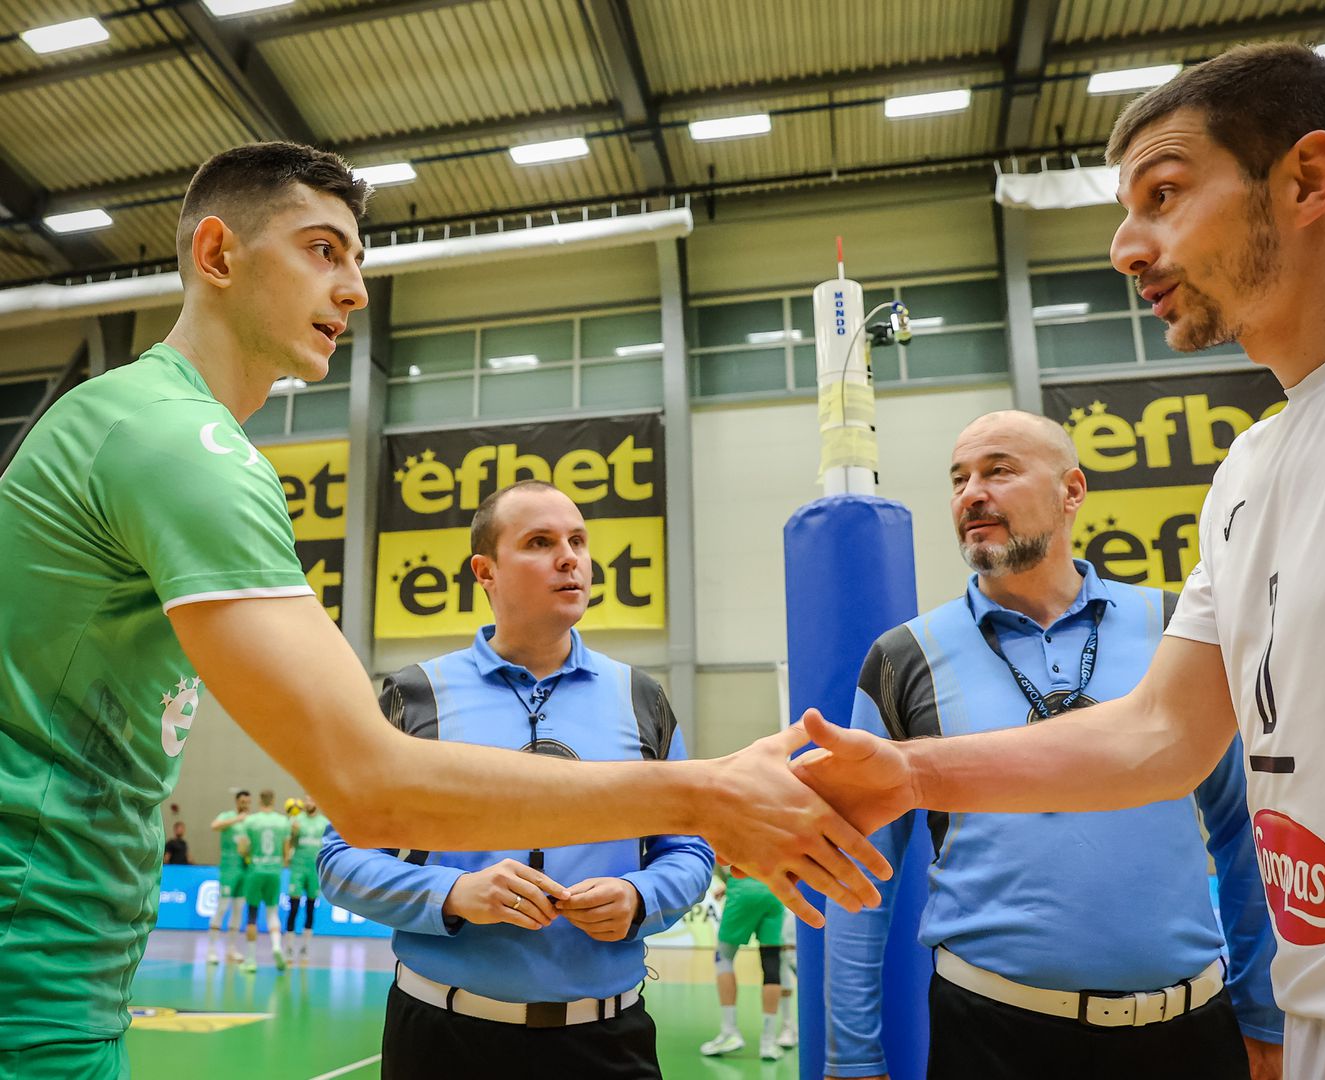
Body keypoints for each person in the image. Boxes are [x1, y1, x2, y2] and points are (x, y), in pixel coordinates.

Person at [0, 141, 887, 1075]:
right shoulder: (174, 443)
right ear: (216, 255)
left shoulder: (139, 426)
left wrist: (662, 861)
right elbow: (368, 787)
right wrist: (708, 791)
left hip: (63, 963)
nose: (356, 290)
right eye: (322, 250)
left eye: (357, 259)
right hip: (32, 965)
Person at [794, 42, 1325, 1080]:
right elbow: (1158, 736)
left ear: (1309, 180)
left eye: (1164, 194)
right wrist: (909, 773)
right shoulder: (1248, 471)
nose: (1123, 245)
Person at [823, 411, 1282, 1080]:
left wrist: (1262, 1010)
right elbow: (854, 869)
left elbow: (1244, 831)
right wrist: (851, 1057)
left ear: (1071, 490)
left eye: (998, 470)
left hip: (1187, 1030)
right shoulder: (903, 658)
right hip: (991, 1035)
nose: (971, 494)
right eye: (958, 479)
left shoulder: (1176, 630)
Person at [319, 481, 714, 1078]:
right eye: (539, 542)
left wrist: (640, 898)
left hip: (607, 1041)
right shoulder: (415, 696)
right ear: (486, 571)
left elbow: (688, 848)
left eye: (578, 541)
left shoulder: (642, 699)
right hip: (441, 1041)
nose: (569, 558)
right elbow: (339, 861)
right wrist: (452, 895)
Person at [701, 860, 798, 1062]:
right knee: (772, 964)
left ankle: (729, 1032)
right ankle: (769, 1042)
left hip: (743, 887)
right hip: (774, 891)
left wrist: (730, 883)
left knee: (724, 957)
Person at [235, 790, 292, 972]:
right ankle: (276, 947)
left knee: (252, 914)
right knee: (272, 912)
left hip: (255, 871)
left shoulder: (251, 821)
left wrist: (249, 855)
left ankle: (251, 960)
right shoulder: (283, 822)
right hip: (274, 871)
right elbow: (286, 853)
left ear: (260, 800)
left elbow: (242, 849)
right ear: (274, 800)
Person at [206, 789, 252, 965]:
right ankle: (211, 950)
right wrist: (236, 820)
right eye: (242, 801)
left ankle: (231, 949)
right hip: (228, 868)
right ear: (237, 801)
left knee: (239, 908)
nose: (245, 804)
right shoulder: (228, 816)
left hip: (244, 870)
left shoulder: (251, 822)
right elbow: (214, 826)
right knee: (222, 907)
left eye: (248, 802)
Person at [283, 793, 328, 963]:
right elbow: (289, 843)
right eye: (307, 799)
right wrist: (293, 835)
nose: (309, 802)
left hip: (314, 871)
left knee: (310, 908)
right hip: (298, 869)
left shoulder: (324, 823)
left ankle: (305, 948)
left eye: (312, 799)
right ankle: (288, 947)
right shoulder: (296, 821)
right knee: (293, 908)